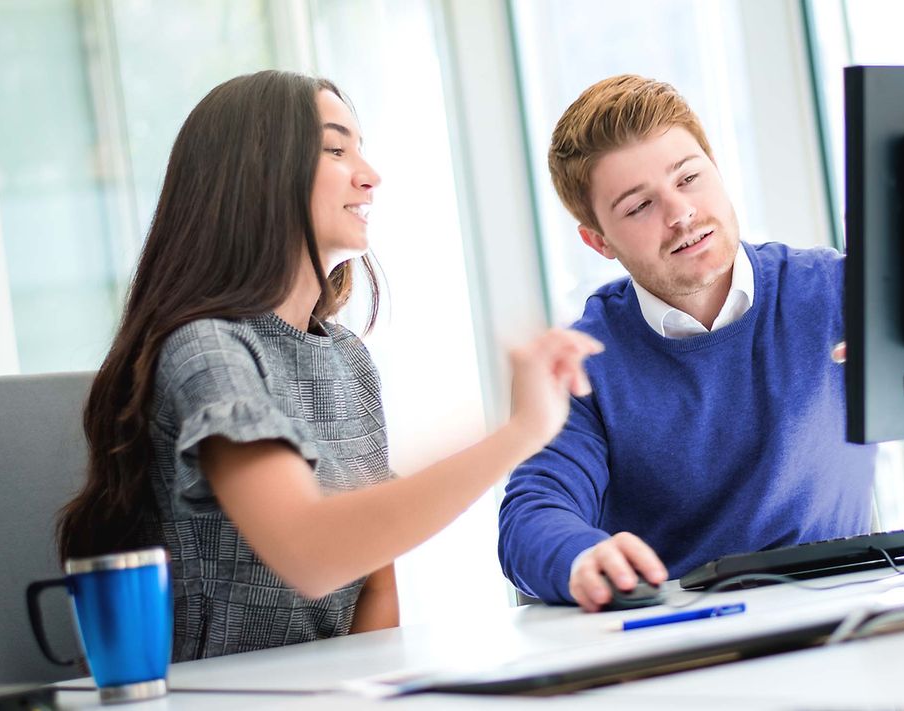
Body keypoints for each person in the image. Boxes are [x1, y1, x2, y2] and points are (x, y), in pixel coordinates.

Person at [55, 70, 601, 661]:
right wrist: (516, 433)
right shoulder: (206, 351)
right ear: (258, 174)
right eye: (337, 149)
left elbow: (373, 577)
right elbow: (311, 553)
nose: (370, 175)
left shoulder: (347, 358)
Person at [497, 74, 877, 611]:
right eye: (638, 206)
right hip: (688, 650)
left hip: (843, 620)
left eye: (689, 178)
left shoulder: (838, 293)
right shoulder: (585, 363)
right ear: (598, 240)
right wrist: (581, 557)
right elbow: (531, 517)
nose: (680, 213)